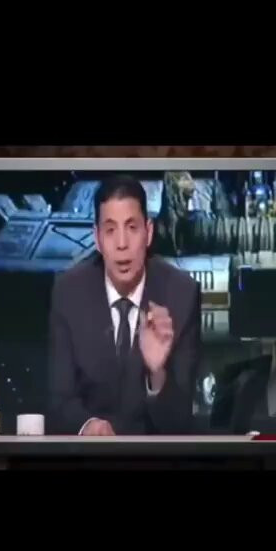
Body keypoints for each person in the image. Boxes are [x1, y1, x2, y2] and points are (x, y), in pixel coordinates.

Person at [47, 174, 201, 435]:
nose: (122, 244)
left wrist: (157, 374)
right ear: (97, 238)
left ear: (148, 232)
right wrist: (87, 426)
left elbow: (181, 423)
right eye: (110, 230)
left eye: (132, 228)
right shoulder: (68, 292)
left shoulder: (181, 295)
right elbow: (58, 400)